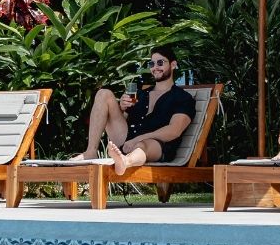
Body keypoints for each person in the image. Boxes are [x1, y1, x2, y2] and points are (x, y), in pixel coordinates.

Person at [71, 45, 196, 175]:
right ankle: (91, 152)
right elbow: (123, 121)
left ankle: (126, 161)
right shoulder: (140, 94)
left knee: (142, 146)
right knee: (103, 93)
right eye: (151, 63)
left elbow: (174, 131)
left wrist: (139, 139)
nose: (155, 67)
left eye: (160, 62)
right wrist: (122, 108)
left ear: (173, 64)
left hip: (156, 145)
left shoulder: (182, 97)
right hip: (127, 140)